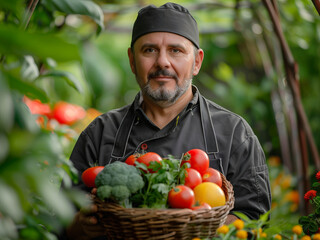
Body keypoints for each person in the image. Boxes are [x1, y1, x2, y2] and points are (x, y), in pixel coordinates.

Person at [63, 2, 271, 240]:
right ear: (132, 60)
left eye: (176, 50)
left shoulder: (234, 133)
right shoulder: (99, 133)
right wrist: (83, 225)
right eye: (149, 50)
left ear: (197, 62)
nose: (162, 62)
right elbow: (61, 221)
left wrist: (200, 227)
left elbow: (253, 219)